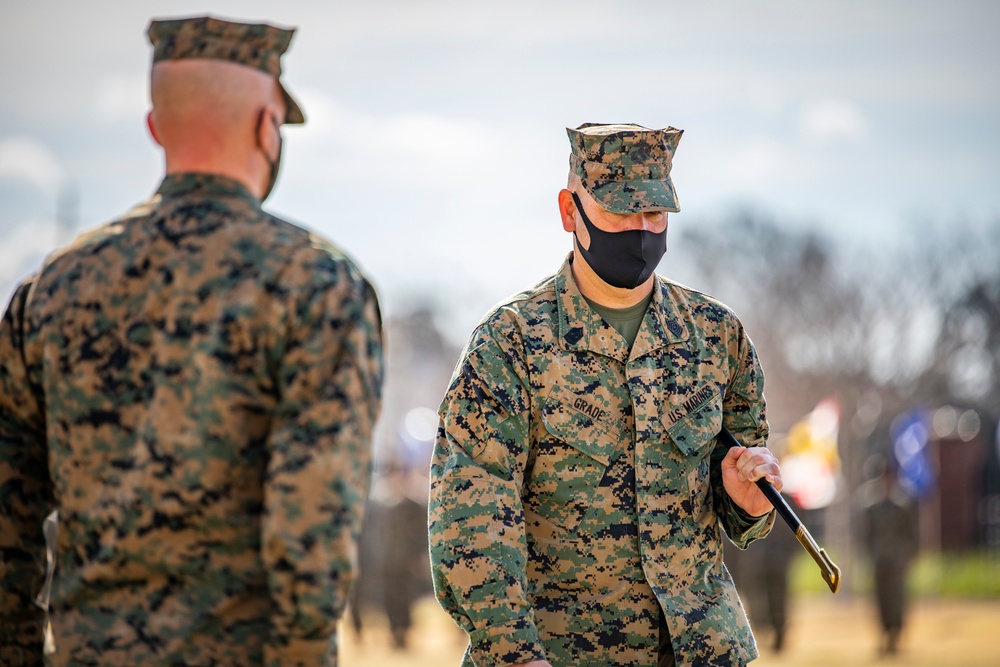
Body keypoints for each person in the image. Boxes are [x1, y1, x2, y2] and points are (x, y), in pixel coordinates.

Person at [0, 15, 384, 667]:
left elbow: (8, 514)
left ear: (155, 127)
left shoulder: (52, 289)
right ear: (269, 127)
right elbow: (310, 527)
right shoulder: (315, 284)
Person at [428, 123, 782, 667]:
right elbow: (470, 517)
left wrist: (749, 503)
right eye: (621, 212)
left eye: (656, 215)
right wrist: (515, 654)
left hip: (704, 651)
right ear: (570, 212)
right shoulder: (512, 342)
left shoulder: (716, 336)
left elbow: (745, 517)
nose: (641, 231)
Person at [861, 459, 918, 657]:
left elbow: (912, 534)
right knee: (881, 601)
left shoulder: (901, 506)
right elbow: (865, 535)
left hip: (896, 561)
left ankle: (895, 636)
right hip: (879, 561)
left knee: (897, 601)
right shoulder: (871, 507)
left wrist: (908, 556)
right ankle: (885, 635)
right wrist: (869, 555)